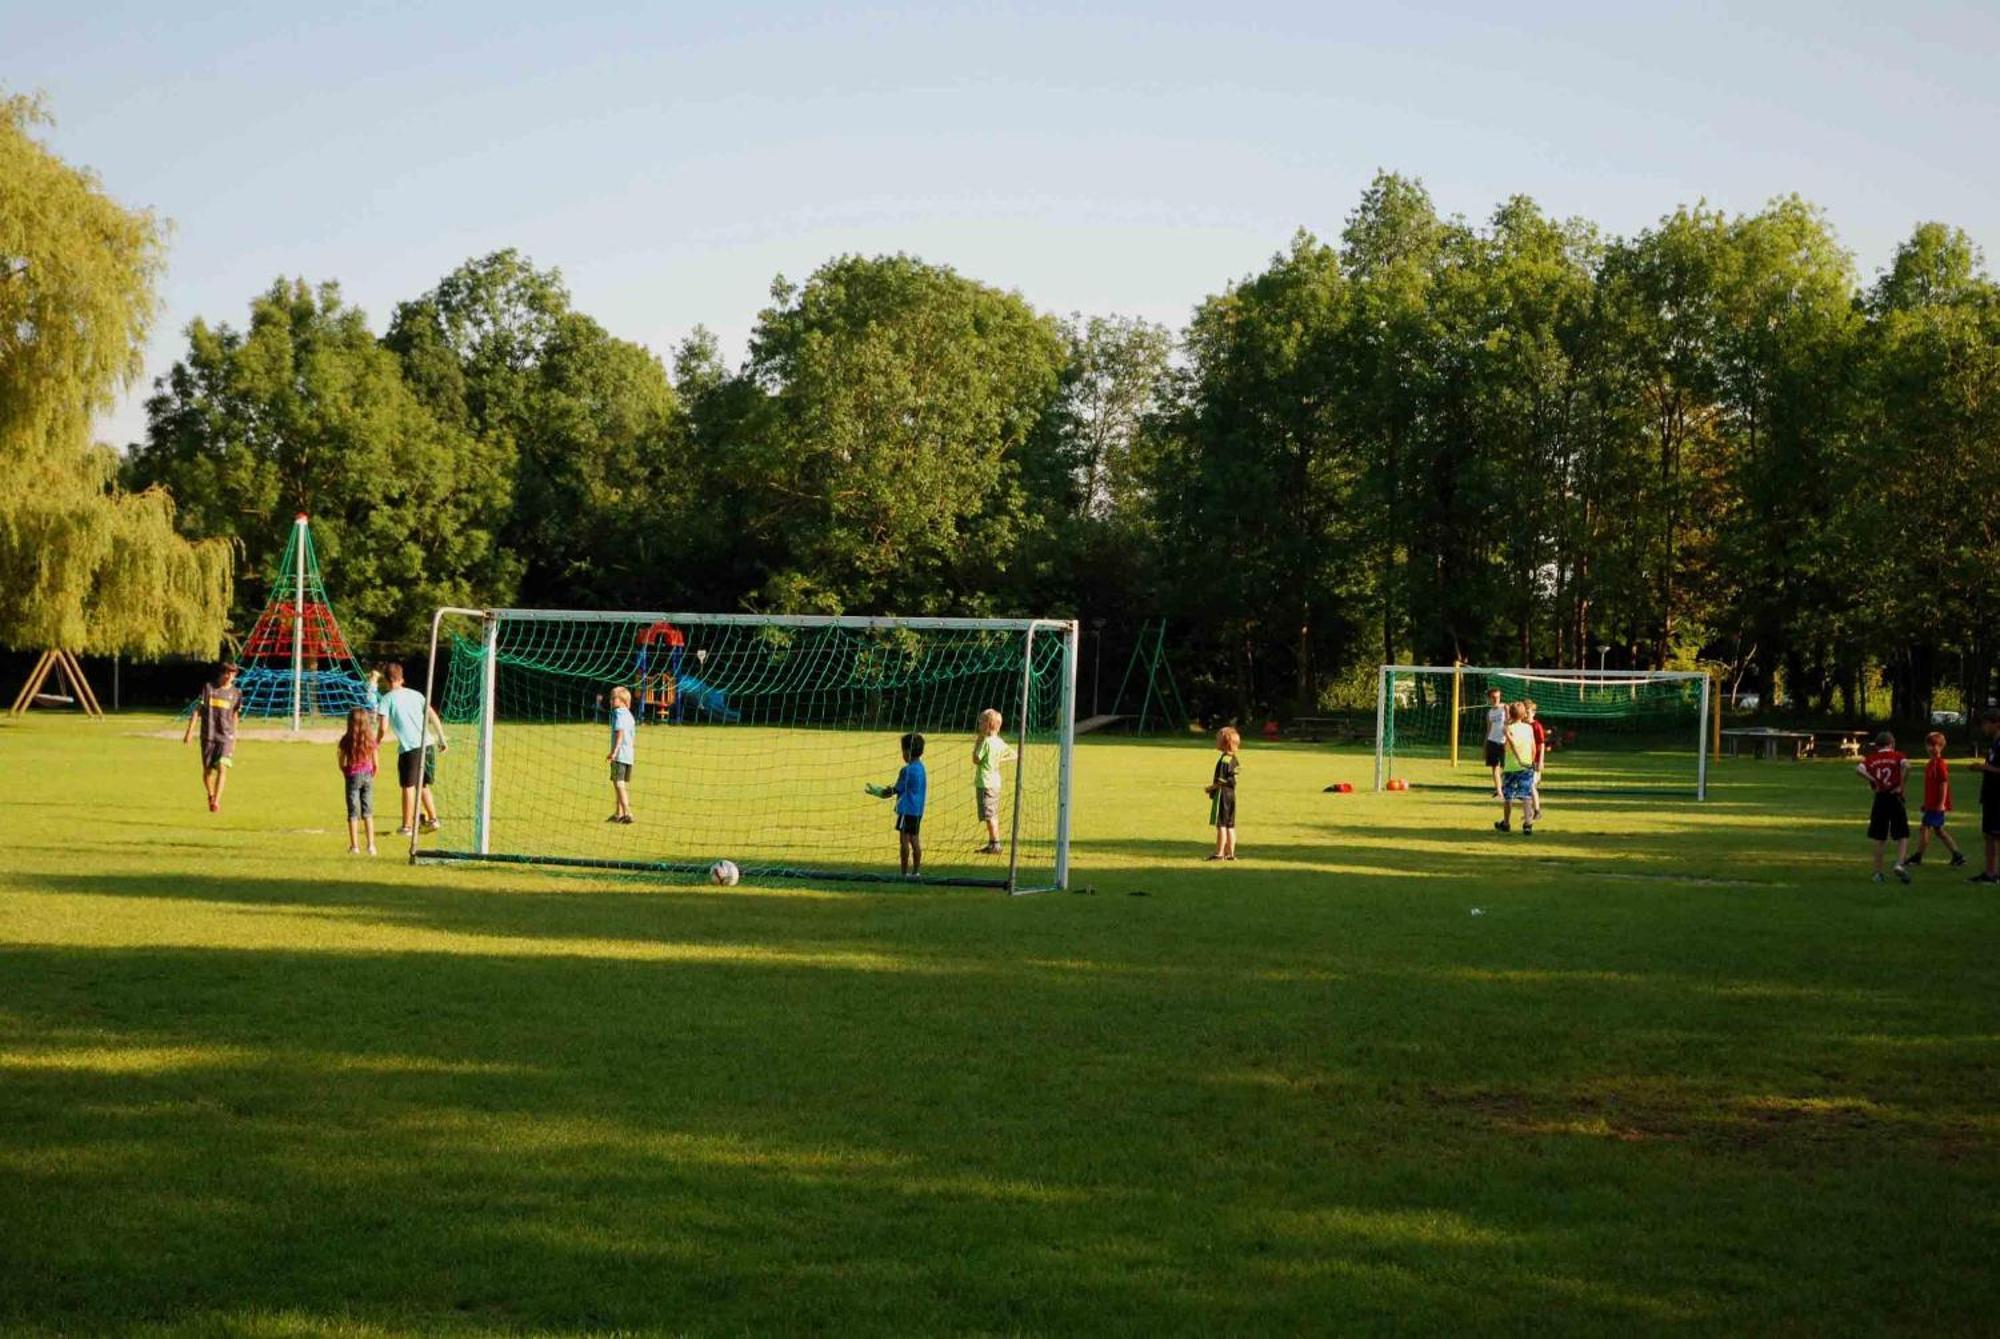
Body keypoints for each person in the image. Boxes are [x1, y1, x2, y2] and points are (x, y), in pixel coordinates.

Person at [374, 663, 430, 838]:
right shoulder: (416, 694)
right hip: (426, 743)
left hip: (409, 747)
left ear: (386, 680)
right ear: (401, 678)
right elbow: (428, 713)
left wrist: (377, 741)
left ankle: (407, 826)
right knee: (423, 784)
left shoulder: (387, 698)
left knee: (408, 786)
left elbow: (383, 727)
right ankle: (433, 818)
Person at [180, 661, 242, 813]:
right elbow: (197, 711)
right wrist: (189, 732)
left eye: (233, 674)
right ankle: (210, 794)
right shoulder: (209, 688)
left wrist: (234, 736)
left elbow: (235, 716)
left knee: (222, 767)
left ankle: (216, 801)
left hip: (226, 737)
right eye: (227, 673)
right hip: (208, 736)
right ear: (221, 673)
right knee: (208, 771)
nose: (229, 676)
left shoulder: (236, 694)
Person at [1857, 730, 1912, 885]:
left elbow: (1858, 769)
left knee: (1880, 837)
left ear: (1877, 746)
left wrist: (1873, 779)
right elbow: (1907, 766)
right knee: (1902, 834)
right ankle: (1899, 864)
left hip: (1880, 798)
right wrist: (1901, 785)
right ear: (1892, 744)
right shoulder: (1897, 756)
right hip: (1895, 797)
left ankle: (1878, 873)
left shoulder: (1872, 758)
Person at [870, 732, 928, 878]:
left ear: (907, 751)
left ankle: (903, 873)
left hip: (906, 810)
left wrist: (878, 792)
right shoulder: (921, 768)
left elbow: (894, 790)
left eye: (903, 750)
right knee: (915, 840)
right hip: (917, 811)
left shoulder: (906, 770)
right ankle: (916, 872)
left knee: (904, 841)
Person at [1906, 731, 1965, 869]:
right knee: (1938, 831)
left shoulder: (1940, 764)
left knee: (1925, 828)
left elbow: (1944, 783)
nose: (1932, 748)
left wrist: (1941, 803)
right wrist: (1926, 804)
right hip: (1931, 804)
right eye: (1929, 745)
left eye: (1935, 745)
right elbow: (1931, 786)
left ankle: (1918, 857)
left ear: (1941, 746)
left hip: (1937, 805)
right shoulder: (1930, 763)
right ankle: (1957, 856)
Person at [336, 706, 378, 856]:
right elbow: (375, 763)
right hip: (367, 775)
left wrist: (346, 772)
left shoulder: (346, 740)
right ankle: (371, 846)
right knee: (368, 812)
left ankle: (354, 846)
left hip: (352, 776)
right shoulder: (370, 739)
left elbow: (341, 762)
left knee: (353, 812)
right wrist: (373, 771)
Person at [972, 708, 1014, 855]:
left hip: (985, 782)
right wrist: (1000, 759)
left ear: (988, 724)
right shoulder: (999, 741)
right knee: (992, 814)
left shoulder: (986, 742)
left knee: (988, 815)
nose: (978, 724)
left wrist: (978, 741)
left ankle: (995, 844)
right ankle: (993, 843)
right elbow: (1015, 755)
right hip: (996, 783)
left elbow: (976, 759)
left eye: (981, 721)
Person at [1494, 702, 1537, 835]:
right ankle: (1528, 823)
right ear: (1524, 714)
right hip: (1526, 765)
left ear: (1510, 715)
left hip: (1511, 767)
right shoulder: (1528, 728)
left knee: (1508, 796)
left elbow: (1506, 744)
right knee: (1526, 795)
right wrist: (1531, 760)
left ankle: (1506, 823)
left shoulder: (1507, 728)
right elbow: (1533, 747)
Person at [1969, 708, 2000, 885]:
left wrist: (1984, 768)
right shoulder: (1994, 744)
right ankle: (1990, 873)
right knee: (1989, 835)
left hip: (1998, 796)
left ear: (1996, 723)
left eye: (1986, 724)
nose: (1983, 728)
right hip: (1990, 794)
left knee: (1996, 834)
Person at [1205, 726, 1241, 861]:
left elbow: (1221, 781)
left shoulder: (1224, 760)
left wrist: (1210, 788)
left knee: (1221, 825)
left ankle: (1219, 853)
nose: (1216, 741)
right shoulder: (1234, 759)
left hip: (1222, 795)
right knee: (1230, 825)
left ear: (1224, 743)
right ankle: (1230, 854)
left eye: (1217, 739)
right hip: (1232, 795)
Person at [606, 685, 636, 824]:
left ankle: (628, 812)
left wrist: (614, 752)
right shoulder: (630, 716)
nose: (610, 701)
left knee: (618, 784)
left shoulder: (619, 714)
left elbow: (620, 733)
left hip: (619, 755)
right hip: (629, 756)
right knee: (618, 783)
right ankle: (619, 814)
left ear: (622, 700)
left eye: (613, 698)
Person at [419, 704, 449, 832]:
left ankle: (427, 819)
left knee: (417, 785)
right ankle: (425, 818)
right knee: (420, 785)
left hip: (418, 747)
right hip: (428, 745)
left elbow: (431, 714)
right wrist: (441, 738)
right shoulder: (417, 697)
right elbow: (432, 714)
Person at [1525, 699, 1548, 822]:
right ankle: (1529, 811)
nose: (1526, 714)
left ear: (1533, 713)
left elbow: (1542, 744)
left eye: (1528, 712)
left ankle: (1537, 811)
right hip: (1525, 760)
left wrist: (1541, 761)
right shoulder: (1523, 725)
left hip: (1535, 760)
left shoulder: (1537, 726)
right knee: (1526, 786)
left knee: (1531, 785)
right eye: (1524, 711)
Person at [1482, 687, 1507, 798]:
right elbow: (1489, 729)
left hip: (1505, 742)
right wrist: (1485, 745)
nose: (1496, 699)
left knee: (1506, 767)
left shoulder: (1505, 708)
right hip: (1493, 741)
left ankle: (1506, 788)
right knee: (1495, 767)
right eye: (1493, 697)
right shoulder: (1490, 713)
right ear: (1489, 699)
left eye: (1498, 697)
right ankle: (1498, 790)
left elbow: (1511, 722)